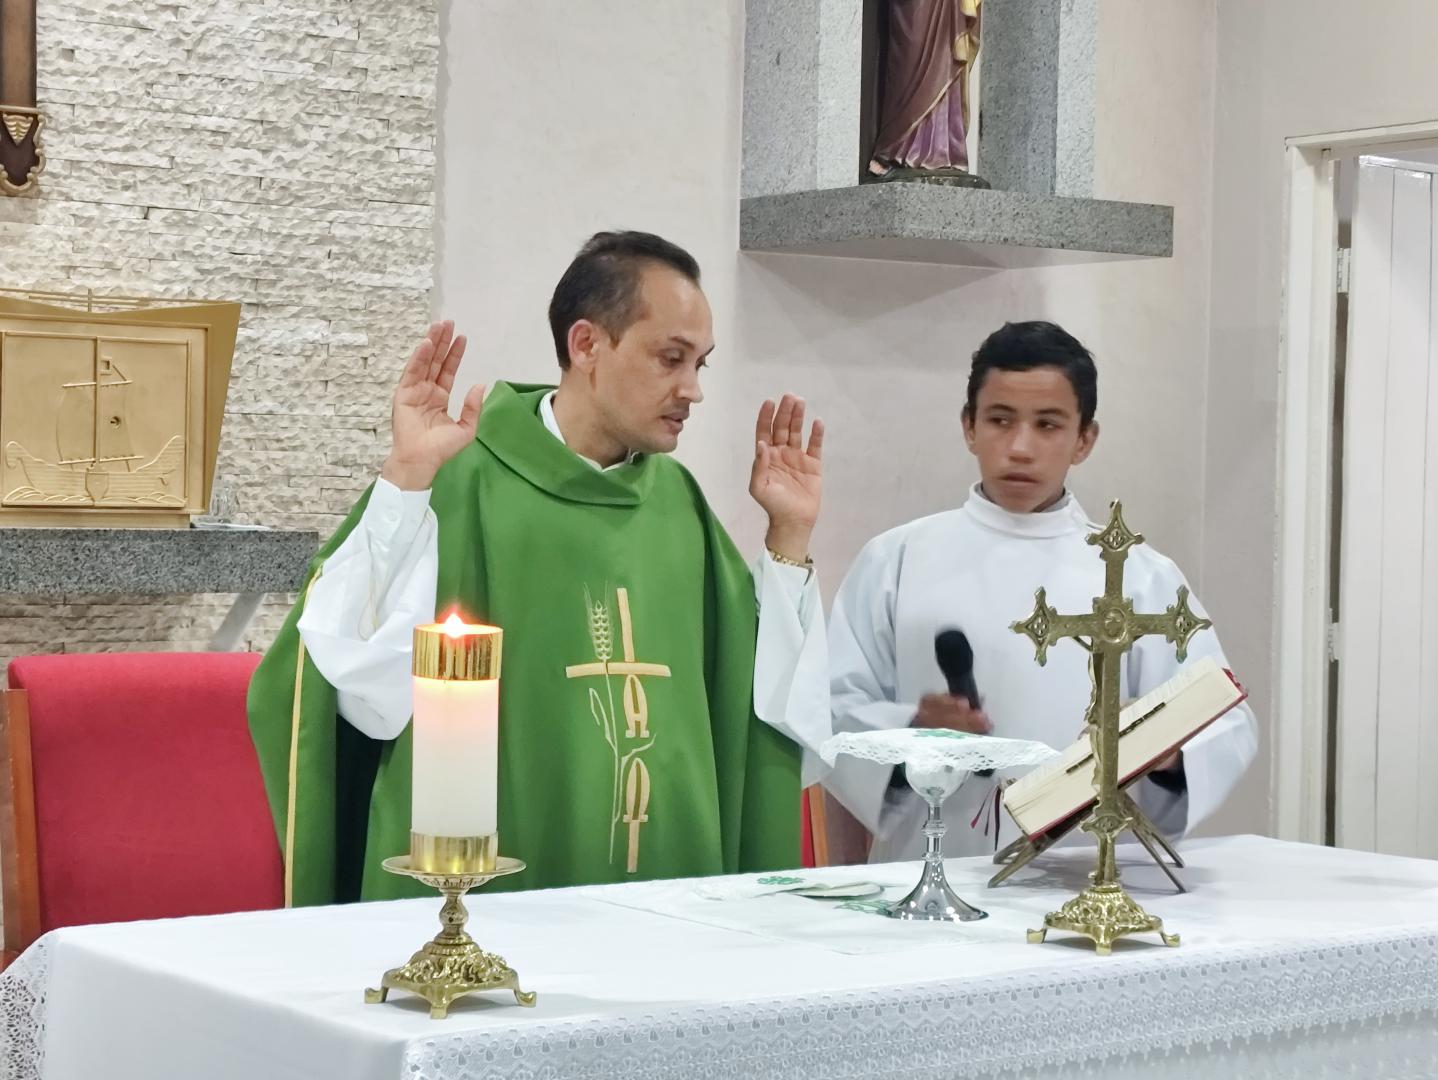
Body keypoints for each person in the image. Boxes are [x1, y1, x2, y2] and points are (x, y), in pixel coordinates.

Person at [248, 231, 831, 903]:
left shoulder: (679, 504)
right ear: (586, 345)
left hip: (669, 893)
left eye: (700, 363)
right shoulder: (459, 482)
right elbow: (346, 677)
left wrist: (789, 533)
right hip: (490, 898)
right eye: (671, 358)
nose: (693, 390)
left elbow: (758, 700)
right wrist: (405, 479)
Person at [825, 320, 1258, 862]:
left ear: (1084, 439)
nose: (1020, 448)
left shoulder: (1137, 576)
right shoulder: (895, 561)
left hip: (1089, 871)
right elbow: (832, 713)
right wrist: (909, 730)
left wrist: (1169, 755)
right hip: (934, 868)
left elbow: (1224, 720)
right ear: (969, 426)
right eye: (999, 420)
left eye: (1048, 424)